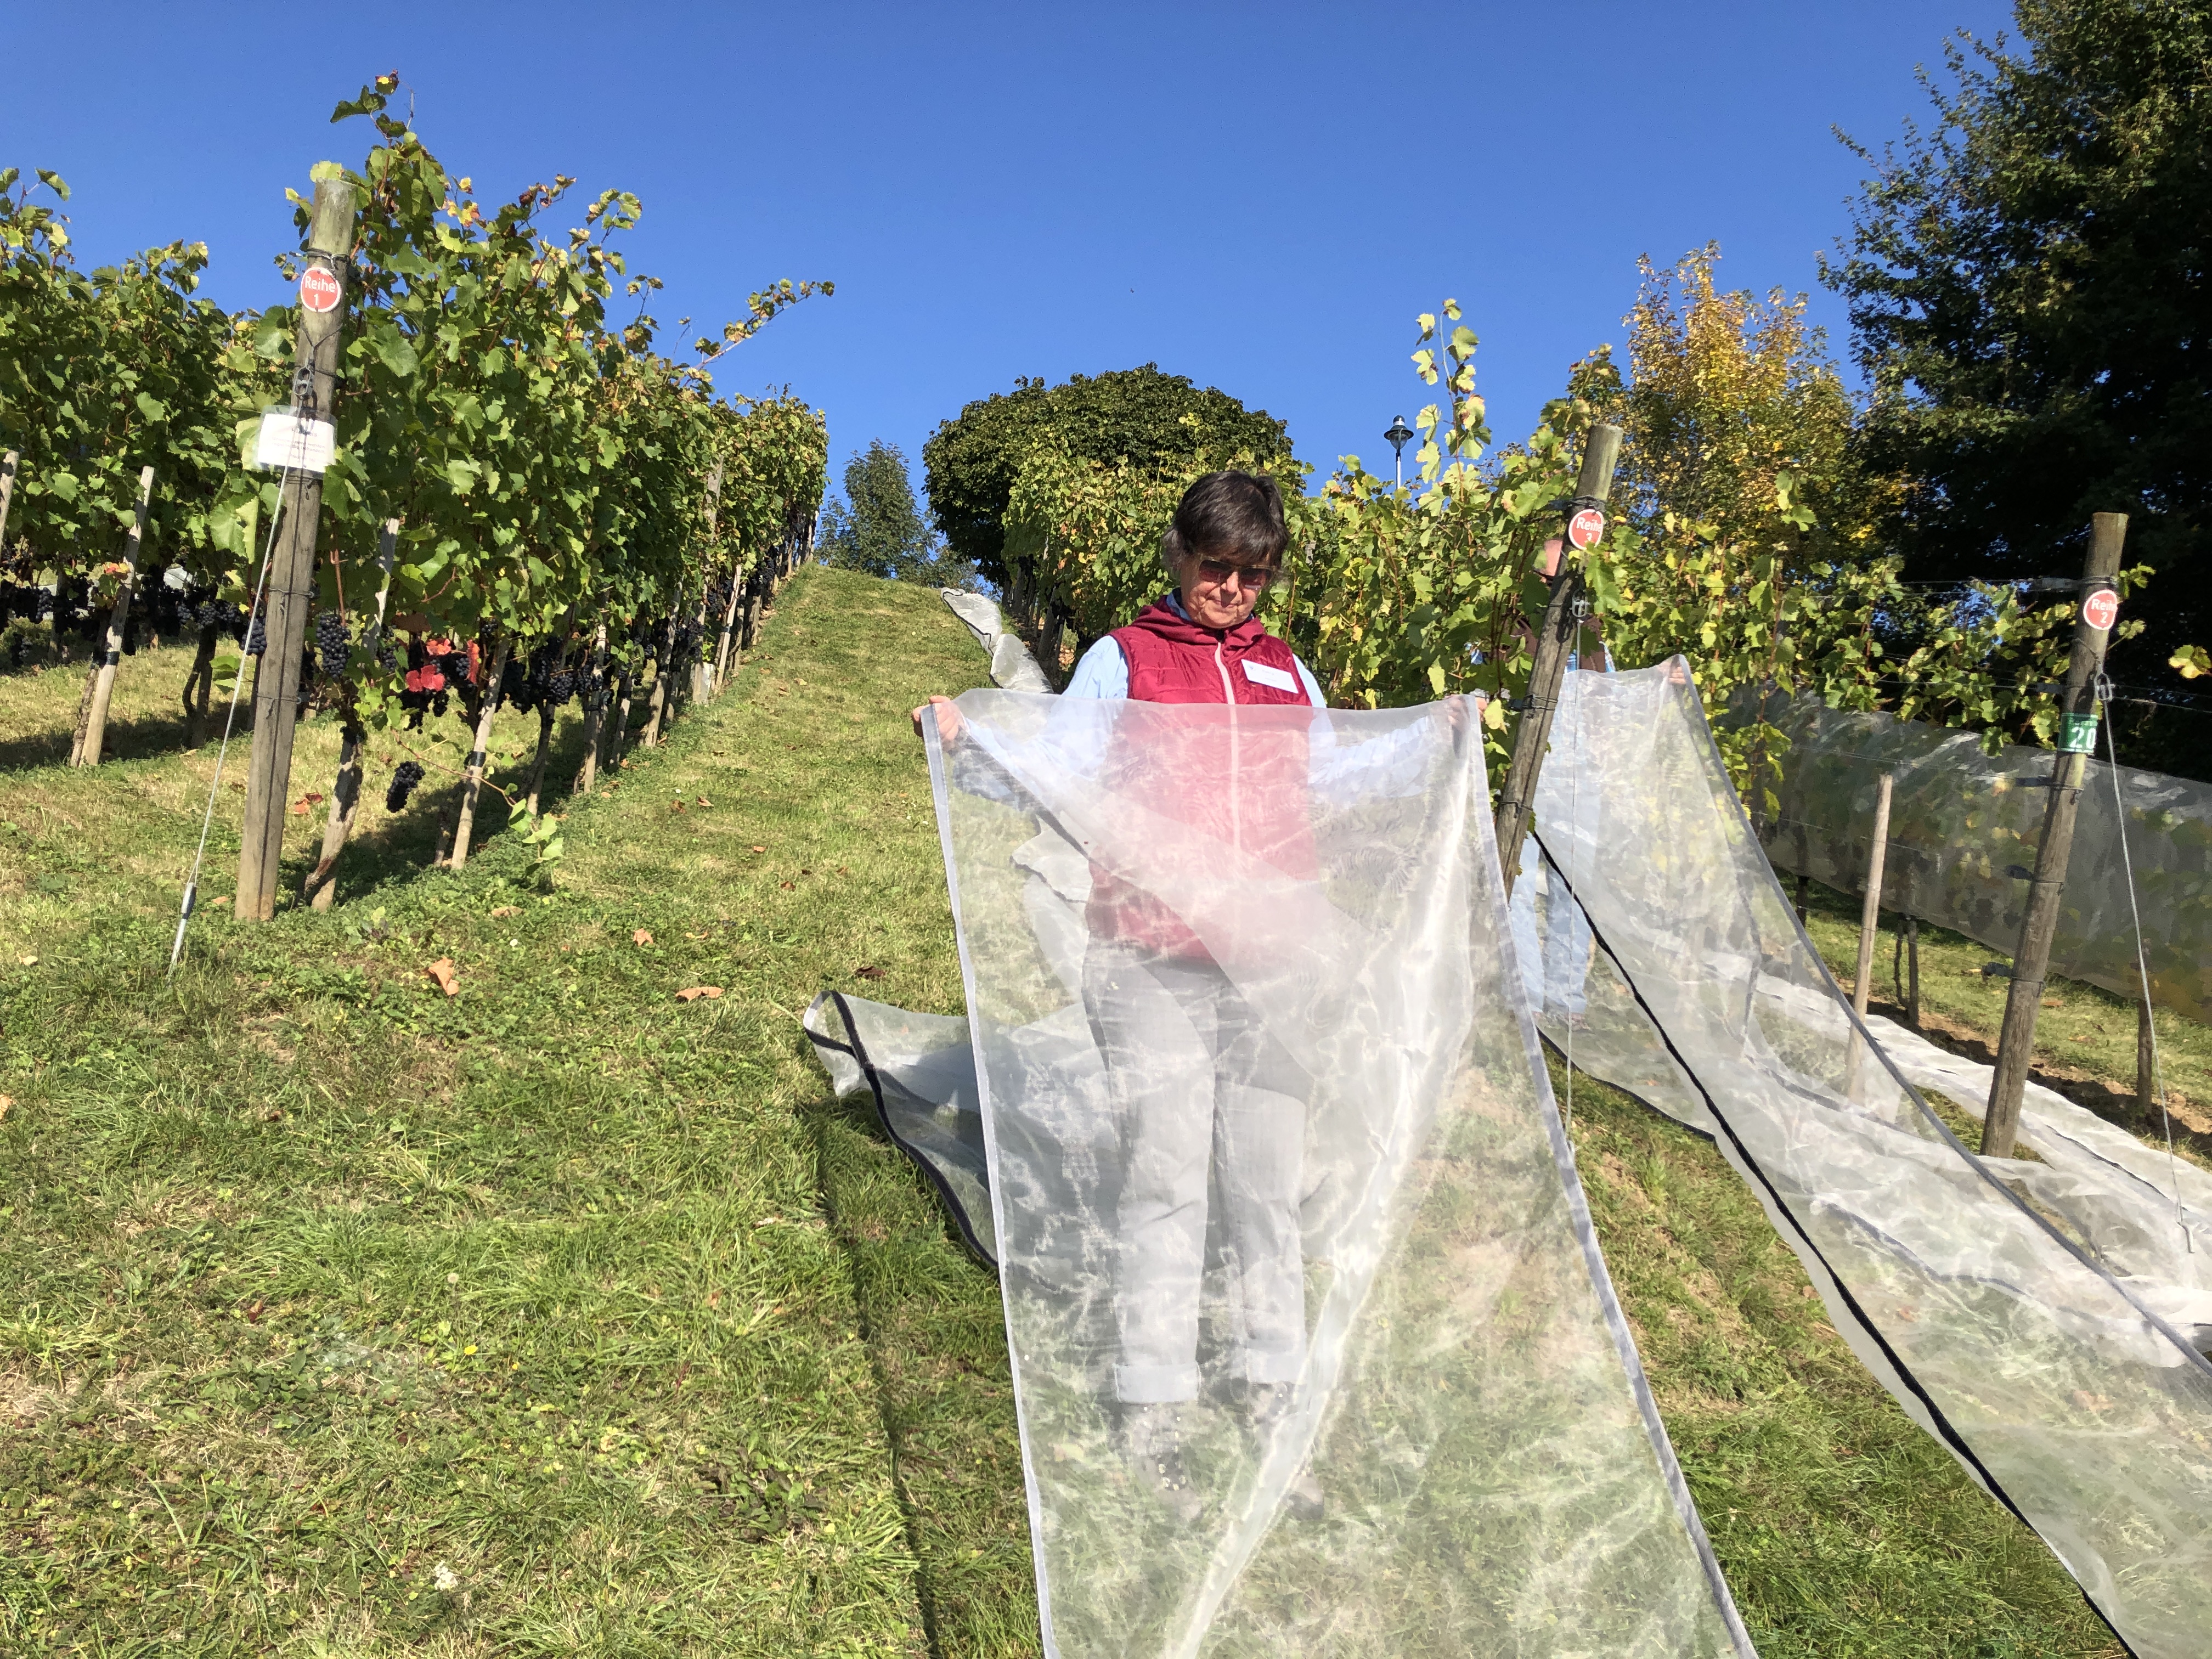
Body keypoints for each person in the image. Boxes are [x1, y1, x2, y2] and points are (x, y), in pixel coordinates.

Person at [913, 472, 1341, 1521]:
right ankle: (1154, 1398)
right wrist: (971, 742)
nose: (1231, 589)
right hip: (1151, 958)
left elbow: (1344, 786)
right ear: (1179, 555)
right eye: (1215, 567)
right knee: (1167, 1173)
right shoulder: (1126, 660)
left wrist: (1444, 738)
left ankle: (1273, 1386)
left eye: (1252, 574)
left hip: (1270, 965)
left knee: (1267, 1185)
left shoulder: (1289, 674)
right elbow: (1054, 768)